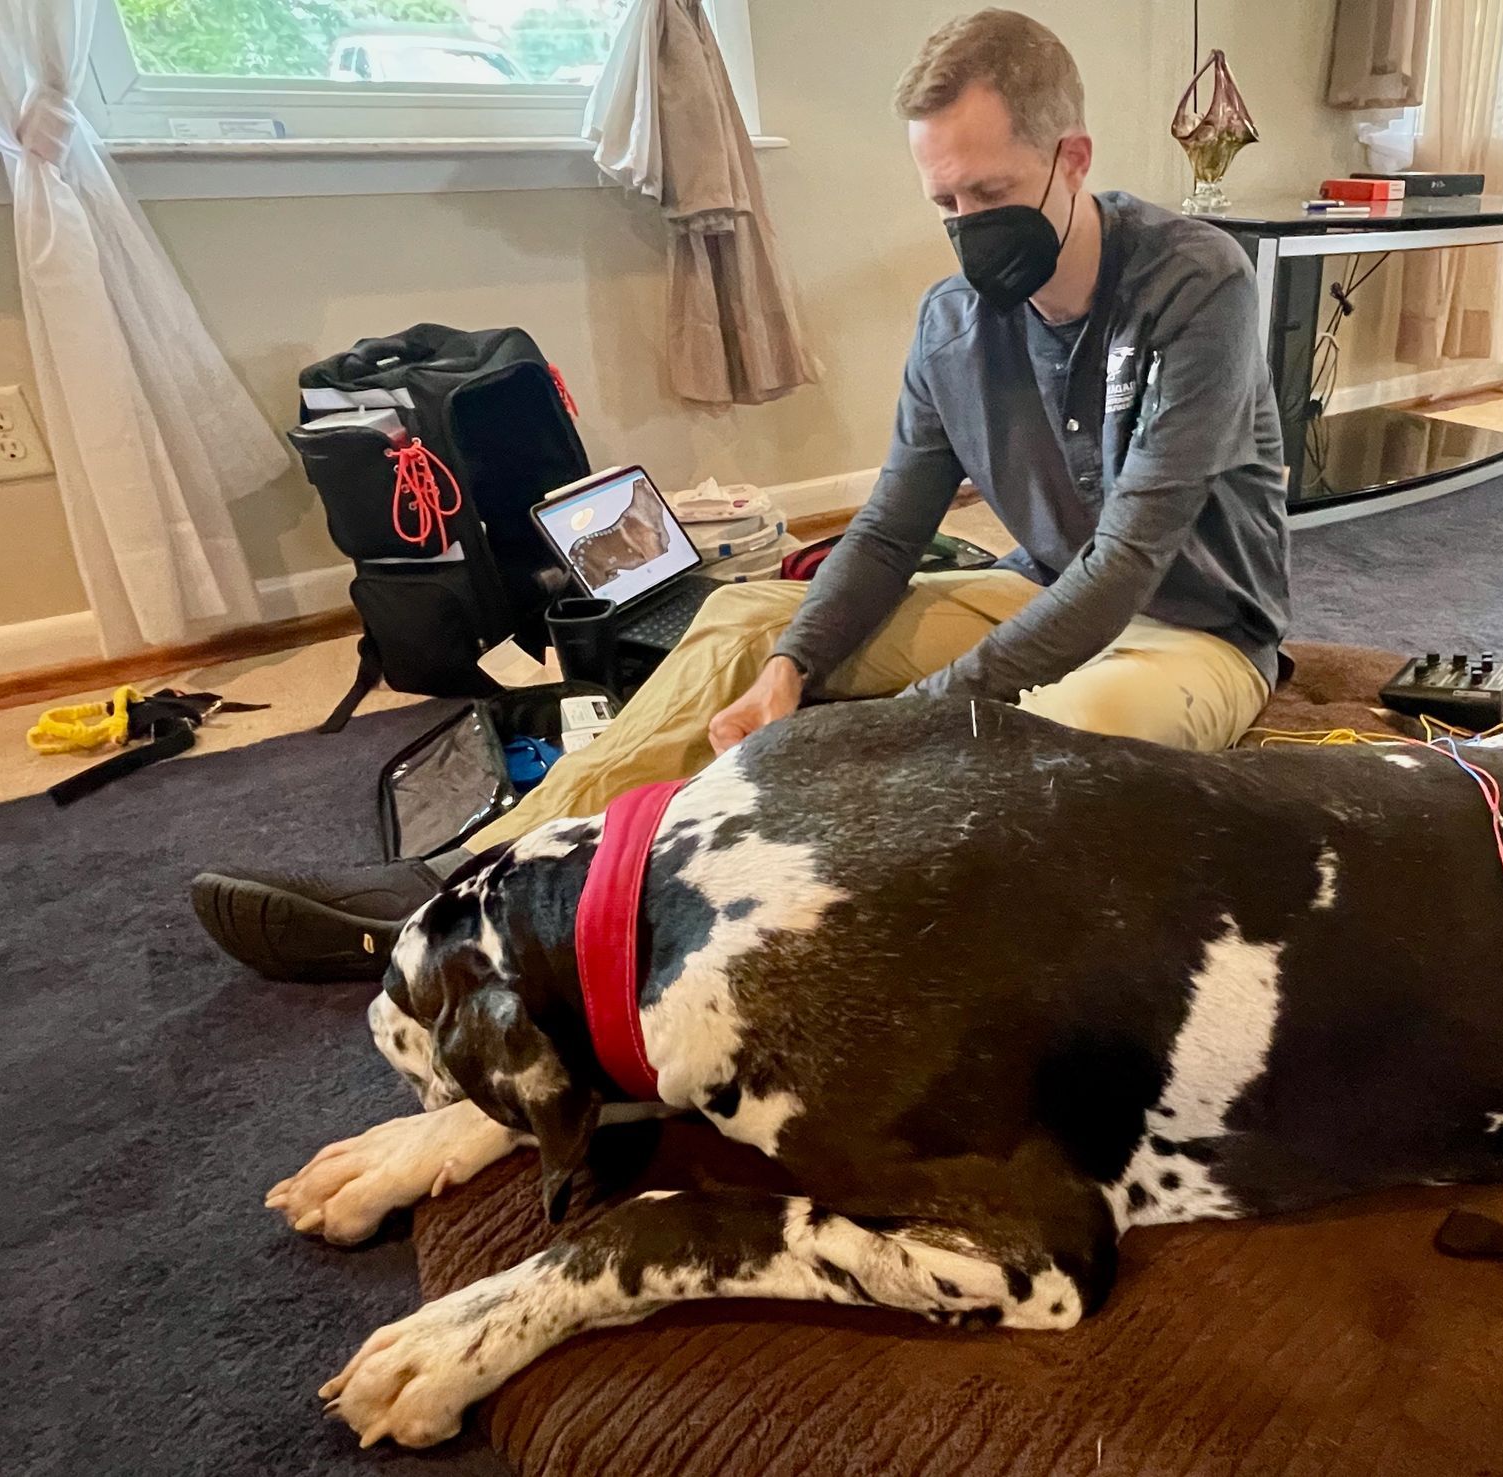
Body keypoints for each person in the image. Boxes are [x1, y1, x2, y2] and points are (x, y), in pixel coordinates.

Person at [191, 7, 1291, 983]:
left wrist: (916, 716)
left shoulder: (1197, 284)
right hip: (1037, 592)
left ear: (1072, 156)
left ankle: (719, 943)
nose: (966, 225)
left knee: (1044, 754)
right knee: (746, 616)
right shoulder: (951, 326)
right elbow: (888, 529)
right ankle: (473, 877)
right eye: (945, 202)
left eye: (991, 193)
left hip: (1192, 631)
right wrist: (791, 668)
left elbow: (1127, 568)